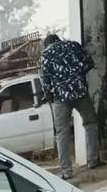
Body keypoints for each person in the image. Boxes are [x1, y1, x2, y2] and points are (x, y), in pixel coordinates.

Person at [40, 33, 101, 179]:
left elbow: (46, 81)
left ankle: (66, 172)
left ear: (47, 44)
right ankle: (93, 161)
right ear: (58, 40)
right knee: (90, 123)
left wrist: (50, 93)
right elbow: (89, 64)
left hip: (61, 97)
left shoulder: (46, 55)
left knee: (62, 133)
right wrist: (76, 76)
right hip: (80, 92)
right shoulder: (74, 45)